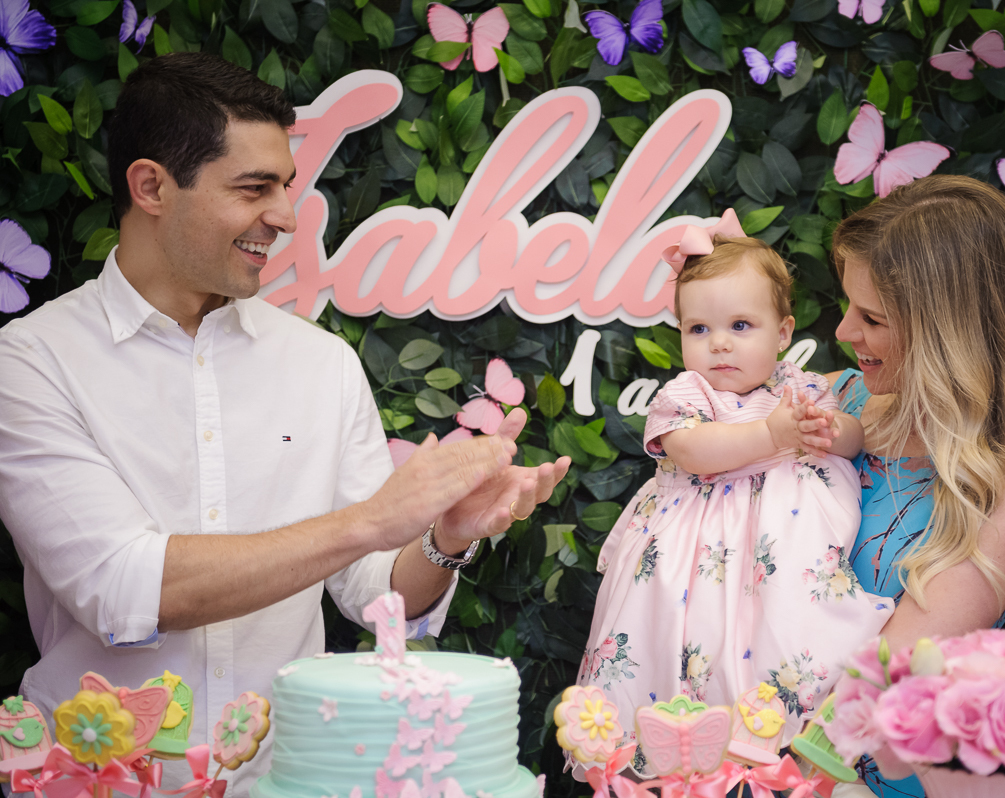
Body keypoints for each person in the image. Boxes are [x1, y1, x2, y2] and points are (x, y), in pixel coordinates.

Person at [0, 53, 568, 794]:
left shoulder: (320, 362)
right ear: (151, 187)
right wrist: (370, 520)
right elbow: (122, 588)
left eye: (285, 187)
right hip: (95, 778)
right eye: (253, 188)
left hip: (286, 779)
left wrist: (445, 536)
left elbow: (372, 588)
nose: (284, 215)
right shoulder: (32, 360)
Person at [575, 212, 894, 776]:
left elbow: (855, 437)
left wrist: (831, 432)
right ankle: (677, 755)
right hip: (690, 563)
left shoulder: (802, 390)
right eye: (699, 330)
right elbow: (694, 453)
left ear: (784, 332)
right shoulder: (686, 395)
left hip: (779, 551)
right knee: (681, 646)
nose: (719, 344)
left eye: (741, 326)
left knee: (785, 632)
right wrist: (770, 435)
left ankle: (768, 738)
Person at [828, 175, 1005, 797]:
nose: (842, 331)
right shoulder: (839, 402)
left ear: (952, 334)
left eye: (872, 317)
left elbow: (891, 668)